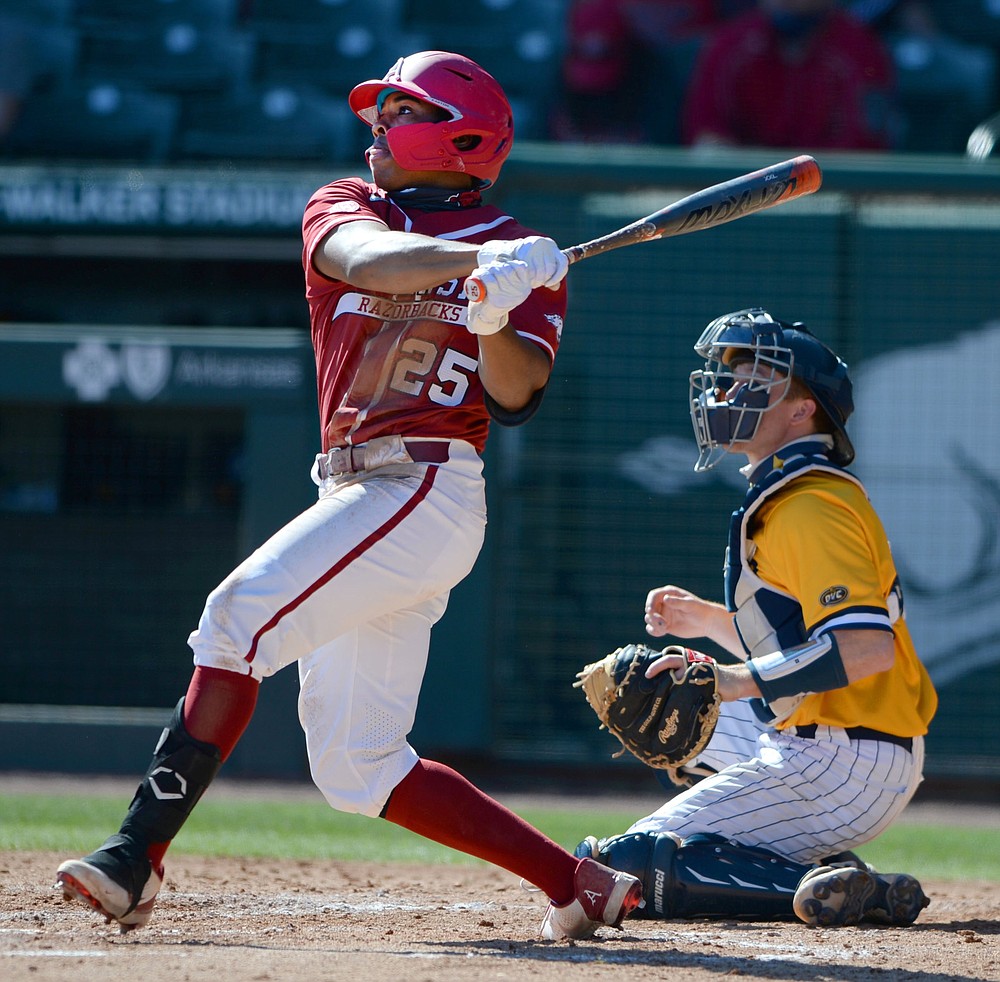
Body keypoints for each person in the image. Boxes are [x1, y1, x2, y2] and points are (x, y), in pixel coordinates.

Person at [54, 49, 642, 943]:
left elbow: (517, 395)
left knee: (234, 619)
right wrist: (473, 260)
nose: (377, 126)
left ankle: (134, 858)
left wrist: (495, 315)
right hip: (355, 488)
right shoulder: (352, 205)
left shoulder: (529, 258)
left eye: (399, 113)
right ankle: (576, 882)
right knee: (357, 767)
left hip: (427, 485)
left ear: (462, 140)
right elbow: (361, 261)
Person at [575, 308, 937, 927]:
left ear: (802, 411)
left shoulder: (810, 504)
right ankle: (824, 871)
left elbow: (865, 648)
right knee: (665, 702)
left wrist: (736, 679)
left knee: (620, 869)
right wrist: (712, 621)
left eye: (753, 381)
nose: (724, 391)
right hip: (830, 739)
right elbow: (797, 639)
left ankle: (837, 887)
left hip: (845, 760)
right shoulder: (791, 493)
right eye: (727, 377)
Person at [682, 0, 899, 150]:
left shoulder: (861, 50)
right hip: (743, 195)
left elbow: (865, 148)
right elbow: (706, 136)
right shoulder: (729, 45)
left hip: (829, 195)